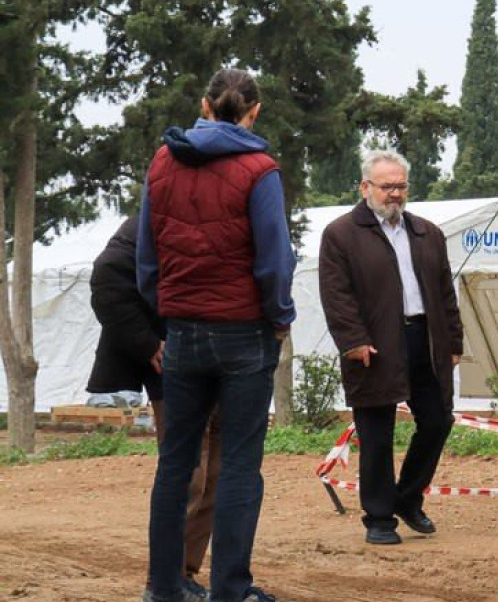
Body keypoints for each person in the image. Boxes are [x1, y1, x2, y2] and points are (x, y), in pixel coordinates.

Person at [138, 68, 296, 602]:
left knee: (175, 463)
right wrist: (279, 317)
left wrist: (167, 311)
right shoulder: (259, 169)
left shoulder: (163, 161)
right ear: (255, 112)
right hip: (243, 332)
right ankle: (231, 589)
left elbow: (146, 253)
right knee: (238, 466)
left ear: (204, 105)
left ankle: (164, 587)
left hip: (183, 329)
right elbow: (275, 259)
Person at [319, 150, 464, 546]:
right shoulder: (340, 234)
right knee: (377, 435)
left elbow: (445, 293)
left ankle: (408, 497)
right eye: (387, 187)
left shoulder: (427, 233)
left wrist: (453, 340)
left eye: (401, 186)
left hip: (425, 340)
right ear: (365, 188)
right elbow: (336, 295)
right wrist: (352, 341)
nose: (395, 194)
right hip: (373, 346)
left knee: (437, 421)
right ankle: (380, 518)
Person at [88, 217, 220, 599]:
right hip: (175, 364)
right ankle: (165, 580)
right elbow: (108, 280)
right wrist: (148, 345)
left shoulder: (231, 210)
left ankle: (186, 573)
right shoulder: (153, 216)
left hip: (223, 357)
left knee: (218, 475)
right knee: (189, 473)